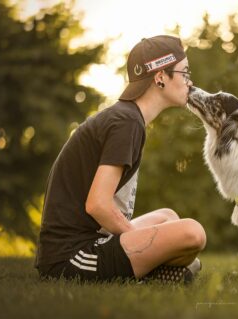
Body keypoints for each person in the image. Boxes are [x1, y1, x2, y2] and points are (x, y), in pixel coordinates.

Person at [35, 35, 206, 283]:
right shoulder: (127, 123)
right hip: (71, 255)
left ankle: (156, 271)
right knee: (193, 233)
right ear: (160, 77)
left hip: (92, 239)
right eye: (185, 73)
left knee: (168, 217)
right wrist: (138, 240)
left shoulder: (127, 118)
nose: (190, 82)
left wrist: (144, 242)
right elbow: (98, 205)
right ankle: (156, 271)